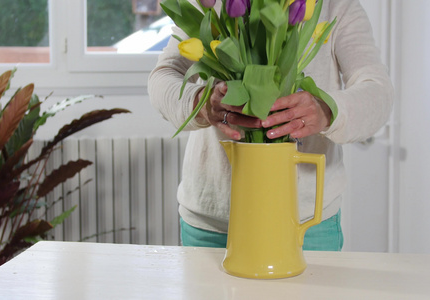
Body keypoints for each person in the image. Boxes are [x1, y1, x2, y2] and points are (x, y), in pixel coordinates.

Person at [148, 0, 393, 251]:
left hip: (307, 222)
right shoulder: (209, 3)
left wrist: (326, 110)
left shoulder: (336, 6)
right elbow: (163, 75)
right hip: (213, 219)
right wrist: (200, 102)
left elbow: (378, 90)